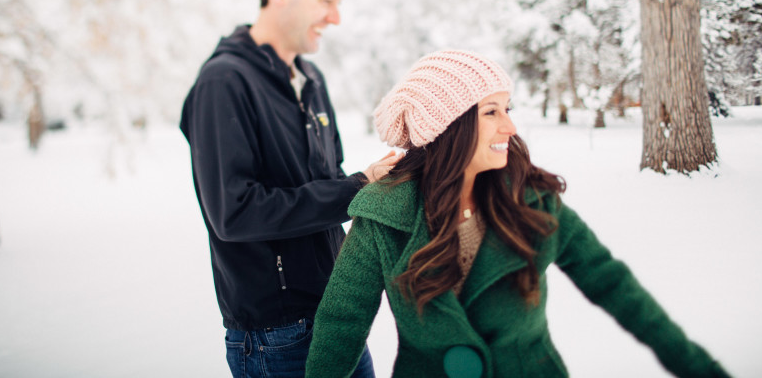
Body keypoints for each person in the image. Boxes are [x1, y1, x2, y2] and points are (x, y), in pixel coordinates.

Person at [305, 49, 731, 378]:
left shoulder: (532, 201)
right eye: (491, 112)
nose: (509, 127)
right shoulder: (383, 216)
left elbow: (616, 287)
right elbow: (341, 323)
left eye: (508, 110)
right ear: (446, 127)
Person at [180, 0, 398, 378]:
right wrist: (354, 188)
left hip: (337, 318)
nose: (335, 17)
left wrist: (374, 192)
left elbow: (327, 182)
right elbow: (234, 213)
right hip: (279, 338)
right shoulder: (224, 83)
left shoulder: (311, 80)